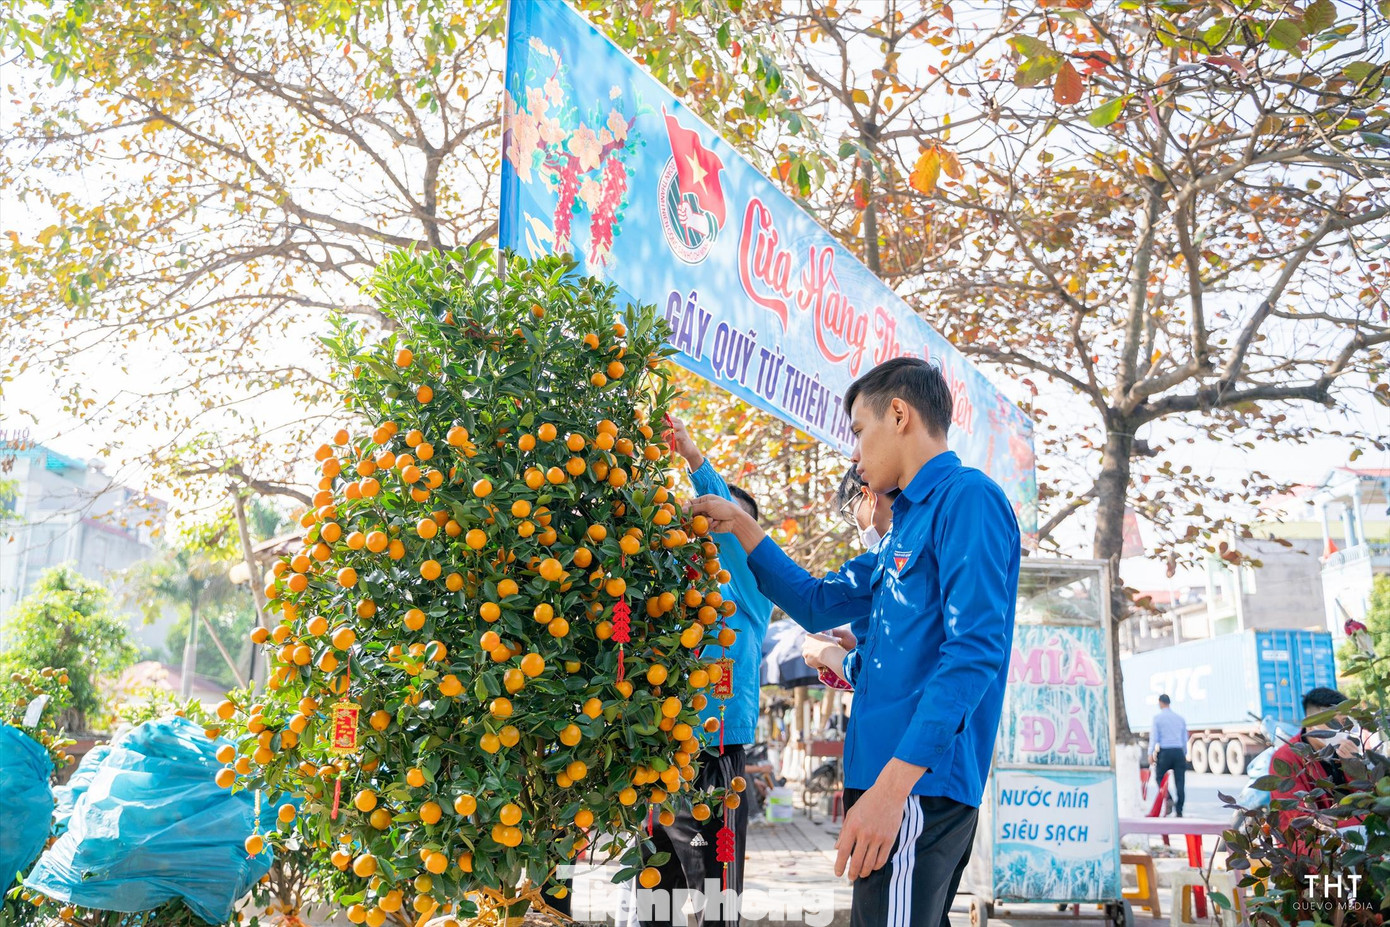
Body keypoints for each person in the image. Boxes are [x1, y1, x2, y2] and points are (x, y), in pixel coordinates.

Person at [693, 357, 1021, 927]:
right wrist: (741, 525)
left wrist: (892, 792)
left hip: (918, 784)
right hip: (892, 780)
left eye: (857, 431)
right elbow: (817, 601)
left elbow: (975, 654)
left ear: (899, 415)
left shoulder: (967, 499)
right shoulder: (907, 526)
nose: (853, 454)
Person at [622, 418, 775, 927]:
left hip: (718, 766)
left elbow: (733, 540)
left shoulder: (749, 595)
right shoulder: (672, 595)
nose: (711, 529)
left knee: (717, 903)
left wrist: (693, 459)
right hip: (661, 761)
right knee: (654, 900)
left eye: (724, 523)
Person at [803, 467, 895, 688]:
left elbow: (885, 676)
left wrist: (828, 654)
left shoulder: (886, 561)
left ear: (869, 497)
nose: (856, 454)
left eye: (853, 513)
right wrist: (859, 646)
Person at [1270, 687, 1367, 839]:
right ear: (1311, 723)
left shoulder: (1341, 751)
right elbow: (1300, 821)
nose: (1342, 729)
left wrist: (1355, 768)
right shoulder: (1286, 758)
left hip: (1349, 835)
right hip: (1309, 846)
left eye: (1345, 723)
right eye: (1336, 723)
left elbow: (1365, 799)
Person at [1150, 694, 1189, 817]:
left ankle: (1168, 798)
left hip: (1165, 752)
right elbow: (1184, 739)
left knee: (1159, 777)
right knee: (1180, 782)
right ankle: (1179, 810)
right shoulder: (1180, 718)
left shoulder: (1157, 718)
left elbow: (1154, 738)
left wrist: (1150, 753)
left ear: (1160, 703)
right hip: (1178, 751)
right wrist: (1184, 753)